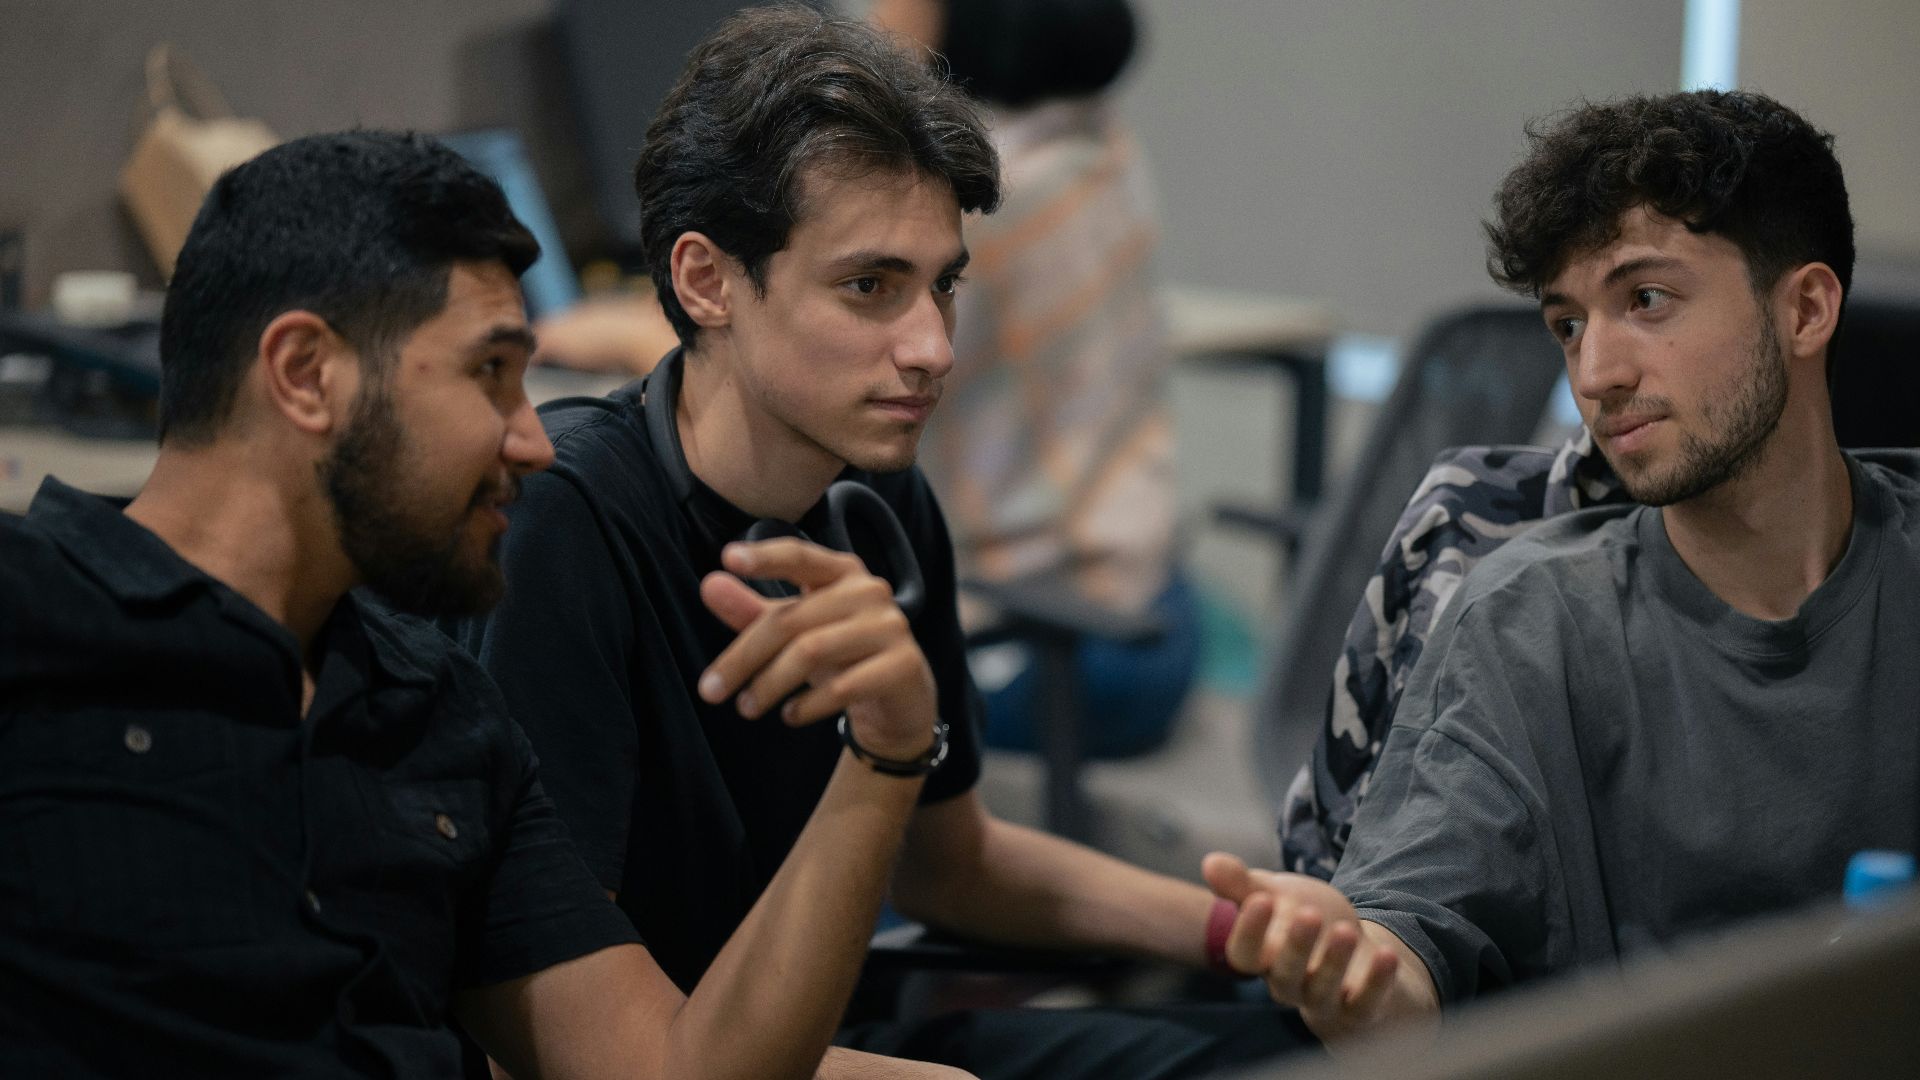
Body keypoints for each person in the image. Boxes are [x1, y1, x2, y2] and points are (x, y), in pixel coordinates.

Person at [0, 130, 970, 1079]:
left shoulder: (439, 720)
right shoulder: (34, 626)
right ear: (306, 375)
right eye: (489, 374)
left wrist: (885, 749)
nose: (531, 440)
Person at [458, 6, 1303, 1077]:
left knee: (1291, 1053)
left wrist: (1245, 930)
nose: (932, 347)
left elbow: (955, 866)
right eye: (870, 288)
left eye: (942, 284)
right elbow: (593, 1054)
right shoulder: (566, 526)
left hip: (834, 1028)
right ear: (706, 281)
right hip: (678, 1056)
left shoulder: (880, 499)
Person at [1204, 88, 1920, 1043]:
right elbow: (1409, 942)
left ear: (1806, 308)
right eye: (1569, 325)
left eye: (1646, 300)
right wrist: (1358, 973)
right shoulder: (1529, 617)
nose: (1595, 374)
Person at [874, 0, 1196, 758]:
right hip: (1151, 612)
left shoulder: (977, 202)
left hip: (1056, 652)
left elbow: (805, 337)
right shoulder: (1100, 140)